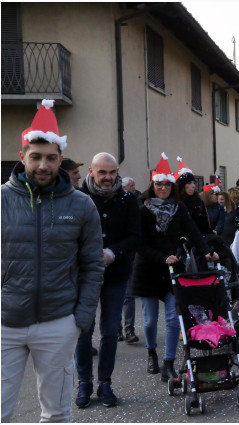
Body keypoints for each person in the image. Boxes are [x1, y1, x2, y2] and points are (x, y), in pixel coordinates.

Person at [1, 99, 103, 422]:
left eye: (50, 158)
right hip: (5, 322)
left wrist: (80, 319)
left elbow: (92, 265)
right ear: (22, 157)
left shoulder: (82, 206)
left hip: (59, 323)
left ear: (61, 159)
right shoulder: (2, 200)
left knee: (57, 413)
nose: (42, 165)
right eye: (36, 157)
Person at [130, 153, 218, 383]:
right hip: (148, 267)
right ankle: (152, 353)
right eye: (158, 184)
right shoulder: (143, 209)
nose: (162, 188)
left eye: (166, 184)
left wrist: (207, 250)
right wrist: (161, 257)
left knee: (172, 318)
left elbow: (194, 233)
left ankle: (168, 362)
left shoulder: (178, 208)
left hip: (173, 267)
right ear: (153, 185)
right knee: (149, 320)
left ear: (172, 186)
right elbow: (139, 243)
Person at [75, 152, 140, 408]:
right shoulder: (78, 199)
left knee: (110, 331)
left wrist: (113, 252)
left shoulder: (128, 199)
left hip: (116, 275)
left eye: (112, 172)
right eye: (102, 172)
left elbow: (135, 236)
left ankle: (105, 383)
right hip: (84, 276)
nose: (108, 177)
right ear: (91, 171)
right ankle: (84, 383)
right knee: (84, 330)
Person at [119, 176, 143, 345]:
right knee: (113, 296)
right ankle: (116, 329)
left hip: (129, 256)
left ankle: (129, 329)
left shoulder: (138, 204)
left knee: (128, 296)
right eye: (130, 186)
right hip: (113, 256)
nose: (133, 188)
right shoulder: (114, 204)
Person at [174, 157, 211, 235]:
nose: (193, 186)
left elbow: (205, 225)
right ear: (182, 185)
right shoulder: (175, 202)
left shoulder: (198, 202)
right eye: (189, 183)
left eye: (194, 183)